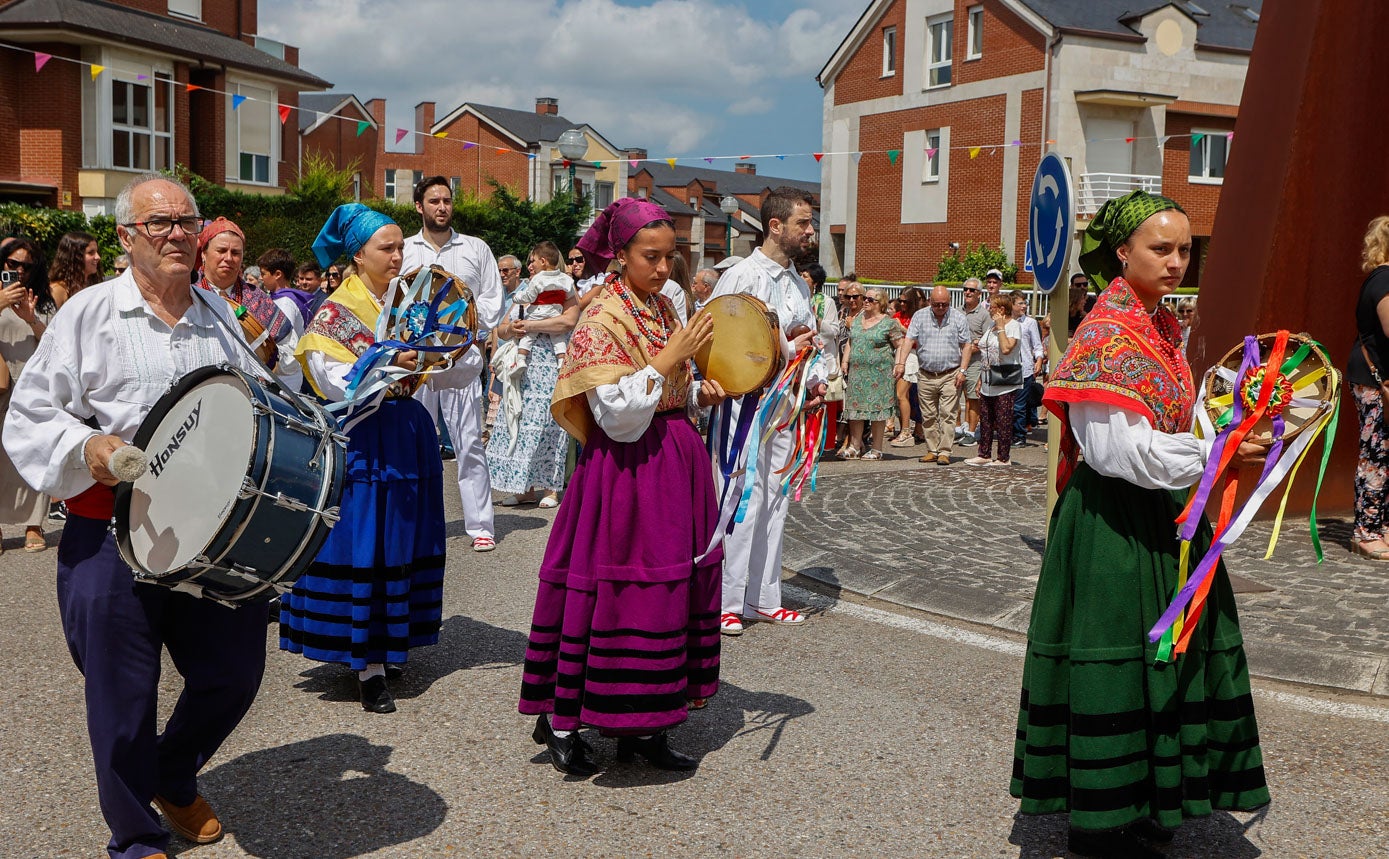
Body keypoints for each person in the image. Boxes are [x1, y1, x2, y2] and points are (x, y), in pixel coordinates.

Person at [5, 173, 265, 858]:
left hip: (209, 532)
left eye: (187, 221)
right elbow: (32, 414)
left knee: (234, 672)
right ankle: (134, 833)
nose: (179, 233)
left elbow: (263, 401)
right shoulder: (87, 314)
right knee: (121, 694)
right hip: (108, 528)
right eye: (160, 223)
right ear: (125, 237)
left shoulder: (218, 316)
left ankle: (171, 773)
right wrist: (84, 444)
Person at [1011, 190, 1269, 858]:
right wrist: (1210, 454)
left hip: (1158, 515)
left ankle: (1152, 798)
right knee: (1117, 659)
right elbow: (1115, 451)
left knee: (1163, 657)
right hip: (1109, 523)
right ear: (1120, 252)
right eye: (1161, 248)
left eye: (1184, 249)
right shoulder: (1105, 335)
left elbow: (1169, 430)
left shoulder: (1160, 329)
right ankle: (1101, 818)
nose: (1176, 261)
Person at [519, 198, 728, 776]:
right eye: (650, 257)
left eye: (670, 257)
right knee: (605, 588)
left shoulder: (664, 307)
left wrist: (698, 387)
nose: (663, 269)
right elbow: (615, 415)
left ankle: (647, 723)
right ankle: (563, 717)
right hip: (624, 471)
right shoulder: (600, 317)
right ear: (621, 255)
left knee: (668, 590)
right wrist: (669, 363)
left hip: (675, 459)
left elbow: (673, 382)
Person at [280, 203, 447, 715]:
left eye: (401, 246)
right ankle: (366, 661)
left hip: (408, 429)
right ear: (357, 254)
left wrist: (450, 349)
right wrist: (387, 361)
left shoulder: (412, 303)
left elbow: (454, 366)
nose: (399, 255)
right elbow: (334, 384)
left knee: (402, 536)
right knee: (367, 539)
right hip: (363, 436)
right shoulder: (333, 313)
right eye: (387, 248)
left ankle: (393, 640)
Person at [708, 187, 825, 635]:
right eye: (803, 223)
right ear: (775, 226)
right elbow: (721, 338)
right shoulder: (740, 276)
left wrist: (811, 381)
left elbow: (805, 341)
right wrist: (782, 348)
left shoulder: (798, 283)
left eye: (811, 224)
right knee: (741, 498)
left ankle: (763, 595)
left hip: (783, 407)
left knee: (775, 498)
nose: (810, 232)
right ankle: (726, 600)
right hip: (743, 407)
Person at [401, 176, 505, 552]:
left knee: (469, 443)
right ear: (419, 206)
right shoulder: (405, 249)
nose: (442, 207)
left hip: (463, 360)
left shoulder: (476, 248)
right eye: (434, 201)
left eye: (447, 200)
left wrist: (470, 332)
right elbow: (394, 300)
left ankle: (480, 525)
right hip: (416, 363)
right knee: (415, 443)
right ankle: (419, 522)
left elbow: (493, 298)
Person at [487, 247, 578, 509]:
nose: (529, 266)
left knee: (550, 425)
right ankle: (524, 488)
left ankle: (551, 488)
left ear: (546, 262)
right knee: (520, 422)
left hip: (552, 366)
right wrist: (512, 328)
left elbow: (567, 322)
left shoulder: (564, 288)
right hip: (523, 370)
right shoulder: (524, 293)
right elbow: (501, 329)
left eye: (532, 261)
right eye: (527, 261)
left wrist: (529, 326)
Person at [197, 219, 300, 392]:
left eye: (235, 252)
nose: (228, 258)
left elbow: (291, 350)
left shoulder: (257, 299)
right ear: (204, 254)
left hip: (249, 395)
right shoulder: (188, 293)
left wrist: (266, 361)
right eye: (221, 250)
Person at [0, 237, 53, 552]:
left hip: (33, 386)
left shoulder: (44, 301)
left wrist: (31, 319)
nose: (19, 271)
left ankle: (35, 524)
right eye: (12, 264)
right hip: (1, 384)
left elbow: (55, 345)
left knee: (35, 456)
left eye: (27, 266)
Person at [1347, 215, 1389, 559]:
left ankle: (1381, 526)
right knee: (1375, 455)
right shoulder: (1385, 280)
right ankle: (1367, 531)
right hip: (1376, 381)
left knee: (1384, 453)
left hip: (1376, 379)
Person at [895, 285, 970, 466]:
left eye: (945, 304)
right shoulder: (920, 316)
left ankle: (945, 451)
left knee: (947, 414)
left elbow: (966, 345)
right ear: (930, 301)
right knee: (928, 414)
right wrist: (901, 363)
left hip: (950, 373)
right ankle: (932, 449)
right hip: (926, 373)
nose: (941, 308)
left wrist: (962, 370)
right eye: (937, 304)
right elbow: (909, 340)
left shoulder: (958, 318)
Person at [842, 287, 903, 461]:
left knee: (878, 411)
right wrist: (845, 361)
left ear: (880, 303)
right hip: (857, 373)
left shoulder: (888, 323)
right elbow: (851, 341)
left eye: (870, 299)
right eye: (865, 299)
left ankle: (876, 449)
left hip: (879, 374)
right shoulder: (857, 319)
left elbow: (900, 344)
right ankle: (855, 446)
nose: (866, 302)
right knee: (855, 410)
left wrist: (899, 364)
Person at [965, 295, 1021, 466]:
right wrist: (980, 379)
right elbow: (985, 351)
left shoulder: (1014, 326)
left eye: (992, 307)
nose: (989, 309)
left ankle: (1004, 457)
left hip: (1005, 380)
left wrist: (1002, 327)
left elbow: (1005, 349)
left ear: (1001, 310)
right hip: (988, 378)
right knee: (987, 418)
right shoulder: (990, 326)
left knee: (1003, 419)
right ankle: (984, 453)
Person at [509, 241, 576, 370]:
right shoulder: (565, 279)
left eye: (533, 261)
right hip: (555, 312)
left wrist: (516, 297)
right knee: (558, 338)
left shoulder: (538, 279)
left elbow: (529, 296)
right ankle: (561, 359)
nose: (530, 265)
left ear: (543, 261)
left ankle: (521, 358)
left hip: (538, 311)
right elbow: (570, 294)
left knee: (528, 336)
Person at [802, 263, 843, 453]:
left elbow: (833, 330)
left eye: (806, 276)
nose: (802, 279)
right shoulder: (797, 298)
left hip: (821, 356)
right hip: (801, 357)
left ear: (815, 282)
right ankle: (799, 443)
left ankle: (818, 443)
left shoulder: (826, 302)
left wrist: (817, 320)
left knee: (820, 400)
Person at [833, 276, 866, 458]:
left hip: (858, 365)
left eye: (856, 297)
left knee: (855, 406)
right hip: (841, 363)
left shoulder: (866, 315)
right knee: (845, 405)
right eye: (848, 297)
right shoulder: (841, 313)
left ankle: (852, 442)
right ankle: (855, 442)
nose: (851, 300)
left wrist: (853, 327)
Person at [889, 286, 926, 446]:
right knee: (899, 397)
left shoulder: (919, 318)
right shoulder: (897, 315)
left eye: (906, 301)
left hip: (912, 357)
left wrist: (902, 328)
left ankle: (907, 430)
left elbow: (920, 341)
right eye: (900, 300)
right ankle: (908, 429)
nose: (902, 304)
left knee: (902, 394)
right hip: (898, 356)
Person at [1010, 290, 1045, 446]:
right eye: (1020, 303)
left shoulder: (1030, 323)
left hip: (1025, 369)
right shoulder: (1006, 322)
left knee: (1019, 405)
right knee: (1008, 404)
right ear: (1012, 305)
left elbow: (1037, 345)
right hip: (1008, 369)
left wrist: (1038, 360)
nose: (1024, 306)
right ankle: (1009, 433)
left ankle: (1019, 435)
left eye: (1025, 303)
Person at [958, 277, 989, 446]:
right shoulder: (956, 311)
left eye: (972, 290)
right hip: (955, 360)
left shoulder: (984, 315)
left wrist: (970, 349)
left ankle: (971, 431)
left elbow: (985, 341)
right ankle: (957, 429)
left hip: (975, 362)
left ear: (979, 294)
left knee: (972, 397)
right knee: (954, 395)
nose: (967, 292)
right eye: (965, 289)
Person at [48, 230, 101, 307]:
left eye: (97, 252)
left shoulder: (93, 285)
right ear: (74, 257)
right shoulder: (58, 290)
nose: (98, 257)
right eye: (91, 253)